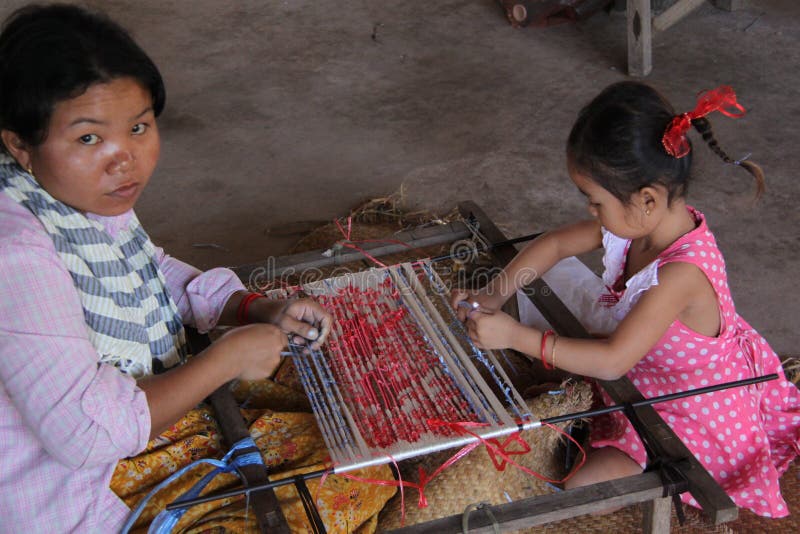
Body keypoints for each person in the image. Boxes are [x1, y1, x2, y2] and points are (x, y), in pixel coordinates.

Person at [0, 4, 394, 532]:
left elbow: (144, 266)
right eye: (89, 138)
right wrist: (224, 359)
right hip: (62, 489)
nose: (125, 159)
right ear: (19, 143)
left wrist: (250, 305)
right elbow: (84, 435)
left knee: (354, 435)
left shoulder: (65, 191)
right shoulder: (16, 255)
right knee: (352, 475)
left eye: (138, 127)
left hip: (103, 435)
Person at [452, 81, 800, 517]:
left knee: (579, 488)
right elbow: (557, 244)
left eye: (596, 202)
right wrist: (494, 293)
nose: (592, 213)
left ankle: (637, 456)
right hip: (645, 375)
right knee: (546, 278)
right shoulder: (641, 223)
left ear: (647, 200)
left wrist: (515, 337)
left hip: (689, 416)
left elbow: (614, 361)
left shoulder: (682, 274)